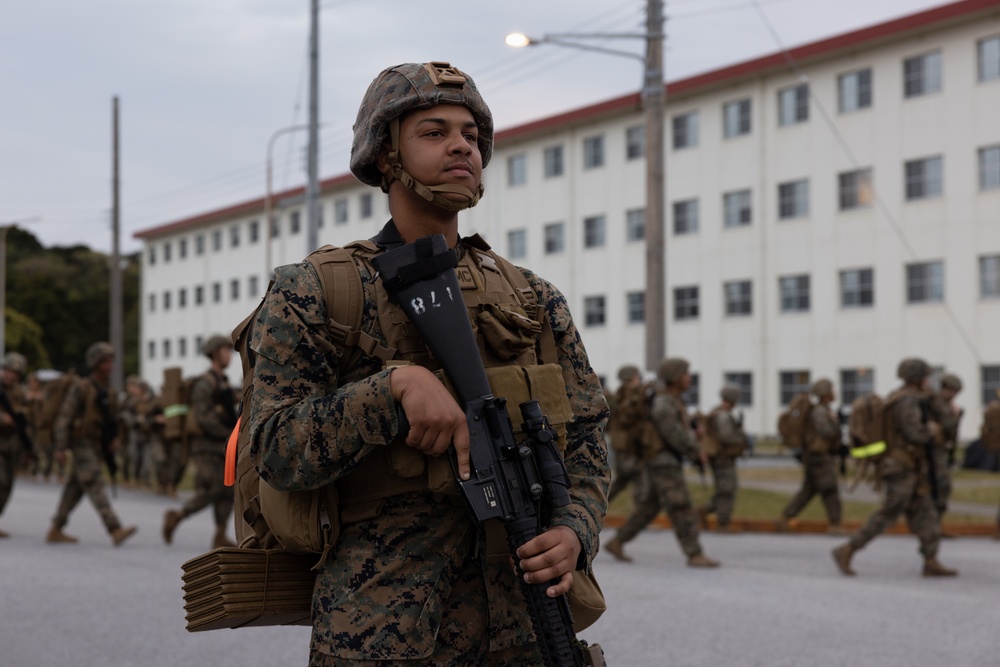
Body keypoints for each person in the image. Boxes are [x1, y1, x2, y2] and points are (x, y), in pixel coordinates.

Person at [246, 61, 610, 665]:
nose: (461, 146)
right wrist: (390, 391)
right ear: (385, 156)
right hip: (385, 627)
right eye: (434, 132)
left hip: (525, 621)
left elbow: (590, 437)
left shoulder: (533, 299)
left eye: (470, 134)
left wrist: (574, 529)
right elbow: (275, 448)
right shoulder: (318, 290)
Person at [832, 358, 956, 577]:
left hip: (910, 470)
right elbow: (914, 434)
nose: (928, 382)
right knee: (888, 513)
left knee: (925, 513)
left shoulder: (907, 398)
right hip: (900, 469)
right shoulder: (906, 402)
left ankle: (930, 559)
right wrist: (932, 430)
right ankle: (847, 549)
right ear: (918, 378)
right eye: (926, 377)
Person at [604, 357, 718, 567]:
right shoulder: (663, 402)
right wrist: (694, 451)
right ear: (675, 377)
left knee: (649, 507)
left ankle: (617, 541)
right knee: (680, 505)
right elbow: (673, 433)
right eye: (685, 373)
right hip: (662, 462)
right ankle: (694, 553)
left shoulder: (671, 399)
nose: (688, 377)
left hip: (661, 460)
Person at [46, 342, 137, 546]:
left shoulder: (109, 391)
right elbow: (64, 418)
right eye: (105, 361)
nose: (110, 365)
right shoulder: (81, 387)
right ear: (96, 364)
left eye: (111, 361)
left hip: (97, 444)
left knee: (75, 488)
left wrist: (114, 440)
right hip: (81, 443)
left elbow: (113, 421)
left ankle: (56, 528)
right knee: (94, 480)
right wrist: (60, 447)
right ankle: (114, 528)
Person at [163, 335, 237, 549]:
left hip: (221, 445)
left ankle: (220, 535)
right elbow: (204, 418)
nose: (228, 354)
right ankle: (177, 516)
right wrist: (229, 433)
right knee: (212, 488)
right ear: (214, 353)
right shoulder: (205, 383)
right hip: (205, 445)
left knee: (228, 489)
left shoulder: (223, 382)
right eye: (225, 350)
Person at [776, 379, 846, 534]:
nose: (834, 393)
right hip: (819, 457)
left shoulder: (822, 410)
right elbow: (827, 432)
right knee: (830, 490)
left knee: (808, 491)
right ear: (826, 394)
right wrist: (835, 422)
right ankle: (835, 524)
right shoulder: (820, 412)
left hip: (815, 457)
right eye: (831, 390)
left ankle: (785, 518)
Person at [698, 383, 748, 533]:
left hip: (721, 456)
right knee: (727, 489)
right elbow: (726, 436)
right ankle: (722, 523)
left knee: (724, 489)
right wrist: (742, 439)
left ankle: (703, 512)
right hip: (723, 457)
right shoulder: (723, 415)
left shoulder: (719, 413)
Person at [606, 364, 649, 505]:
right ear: (632, 377)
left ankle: (599, 506)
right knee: (640, 478)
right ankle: (639, 512)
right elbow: (627, 419)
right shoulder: (626, 396)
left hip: (628, 446)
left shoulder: (623, 395)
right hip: (627, 447)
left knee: (622, 481)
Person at [926, 373, 963, 523]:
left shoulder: (942, 403)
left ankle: (935, 524)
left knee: (941, 488)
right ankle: (932, 525)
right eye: (953, 391)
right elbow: (948, 426)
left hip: (942, 450)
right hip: (935, 451)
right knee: (941, 487)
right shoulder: (938, 403)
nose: (954, 395)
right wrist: (955, 415)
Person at [0, 352, 30, 537]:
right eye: (10, 371)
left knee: (7, 485)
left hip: (13, 444)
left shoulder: (19, 392)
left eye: (17, 373)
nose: (13, 376)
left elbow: (26, 418)